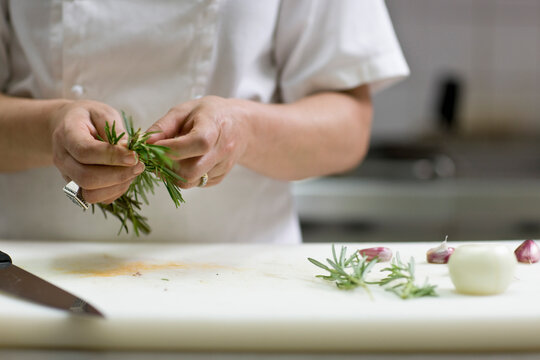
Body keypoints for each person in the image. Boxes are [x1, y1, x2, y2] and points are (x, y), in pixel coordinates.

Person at [0, 0, 408, 243]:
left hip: (238, 283)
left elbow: (348, 128)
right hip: (41, 277)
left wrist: (243, 130)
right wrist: (48, 126)